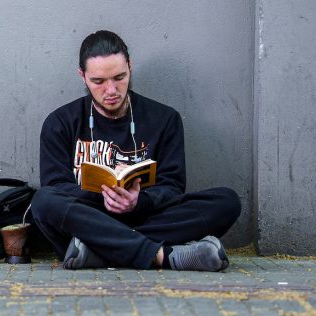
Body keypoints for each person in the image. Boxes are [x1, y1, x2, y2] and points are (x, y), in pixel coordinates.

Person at [32, 30, 240, 271]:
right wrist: (103, 197)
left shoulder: (165, 119)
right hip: (90, 216)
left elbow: (172, 186)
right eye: (98, 81)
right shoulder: (60, 122)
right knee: (44, 201)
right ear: (83, 76)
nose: (111, 90)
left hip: (143, 215)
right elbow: (56, 186)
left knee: (227, 202)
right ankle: (162, 255)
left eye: (119, 77)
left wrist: (138, 201)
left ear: (130, 67)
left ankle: (99, 251)